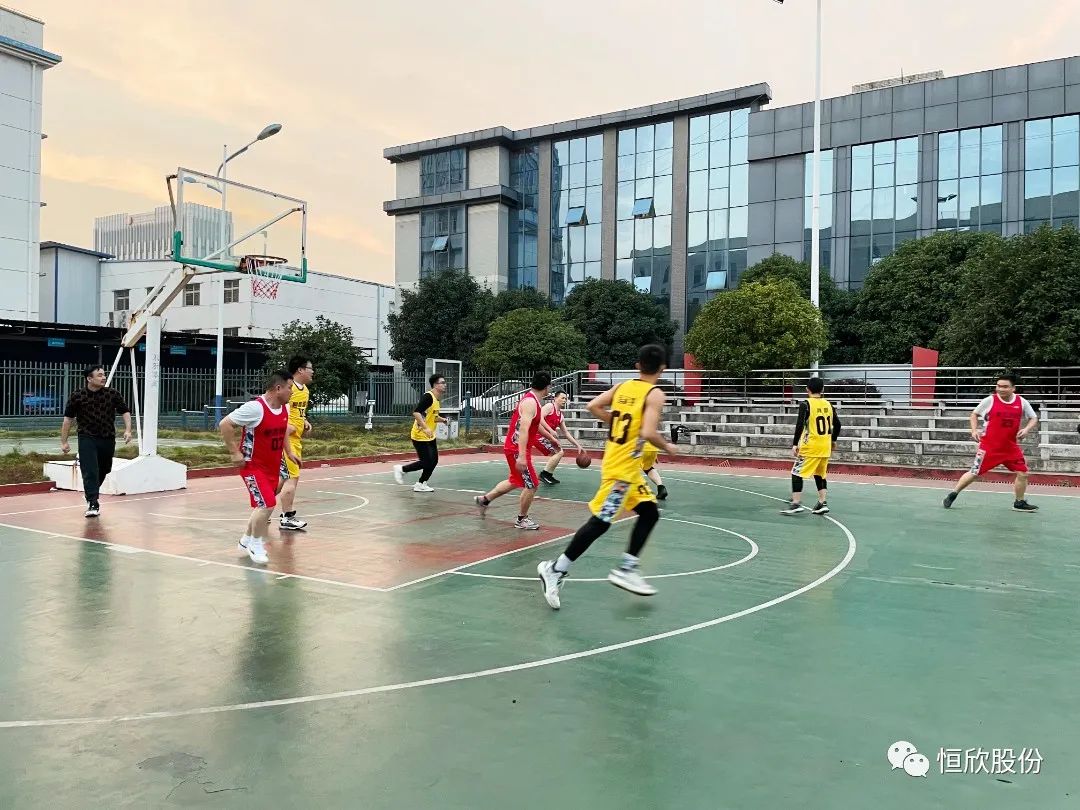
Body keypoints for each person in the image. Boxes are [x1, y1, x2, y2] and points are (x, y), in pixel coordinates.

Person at [536, 345, 678, 609]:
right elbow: (648, 432)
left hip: (626, 469)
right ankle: (556, 569)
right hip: (622, 472)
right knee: (600, 523)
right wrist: (668, 446)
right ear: (663, 369)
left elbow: (593, 405)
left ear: (638, 366)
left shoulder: (624, 387)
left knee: (649, 513)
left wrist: (613, 421)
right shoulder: (655, 394)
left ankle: (626, 567)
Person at [219, 370, 301, 565]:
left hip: (272, 466)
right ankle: (256, 544)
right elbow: (225, 424)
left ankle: (246, 539)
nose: (292, 392)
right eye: (290, 388)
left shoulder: (284, 408)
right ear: (278, 388)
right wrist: (234, 452)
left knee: (262, 506)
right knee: (267, 504)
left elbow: (283, 431)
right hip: (252, 466)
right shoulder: (255, 408)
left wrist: (289, 452)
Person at [943, 373, 1039, 512]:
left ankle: (1019, 502)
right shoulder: (990, 400)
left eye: (1005, 386)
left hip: (1010, 447)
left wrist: (1026, 429)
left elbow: (1033, 418)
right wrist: (974, 430)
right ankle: (953, 494)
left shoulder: (1021, 402)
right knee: (974, 472)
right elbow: (974, 414)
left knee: (1023, 473)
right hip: (989, 447)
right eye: (998, 386)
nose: (1000, 389)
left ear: (1013, 388)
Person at [474, 372, 552, 529]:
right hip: (517, 449)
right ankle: (522, 519)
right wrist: (522, 456)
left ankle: (484, 500)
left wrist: (551, 437)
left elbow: (535, 425)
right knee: (532, 484)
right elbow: (523, 429)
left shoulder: (533, 400)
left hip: (515, 447)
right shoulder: (530, 402)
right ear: (547, 387)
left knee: (515, 481)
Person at [59, 365, 132, 518]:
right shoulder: (77, 396)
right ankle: (93, 502)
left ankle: (90, 493)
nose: (103, 377)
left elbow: (125, 411)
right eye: (99, 375)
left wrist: (128, 430)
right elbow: (68, 419)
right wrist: (64, 441)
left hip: (107, 437)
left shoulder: (112, 394)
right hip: (87, 437)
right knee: (90, 470)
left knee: (104, 468)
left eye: (104, 375)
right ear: (89, 379)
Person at [780, 377, 841, 515]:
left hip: (811, 447)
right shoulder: (828, 404)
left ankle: (796, 503)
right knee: (820, 474)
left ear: (807, 389)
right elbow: (838, 425)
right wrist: (833, 440)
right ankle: (822, 502)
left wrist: (795, 443)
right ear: (822, 390)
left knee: (796, 473)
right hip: (824, 446)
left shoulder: (806, 404)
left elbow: (800, 425)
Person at [276, 356, 314, 530]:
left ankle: (263, 505)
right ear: (300, 369)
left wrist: (303, 421)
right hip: (287, 441)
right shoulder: (287, 389)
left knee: (283, 479)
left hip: (296, 440)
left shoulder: (304, 390)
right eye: (310, 368)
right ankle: (287, 517)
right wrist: (286, 427)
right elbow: (279, 410)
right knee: (292, 478)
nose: (312, 371)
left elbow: (297, 411)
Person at [394, 374, 448, 492]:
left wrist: (442, 420)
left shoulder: (436, 399)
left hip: (429, 436)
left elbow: (433, 416)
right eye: (442, 383)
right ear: (435, 385)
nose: (445, 385)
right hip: (419, 435)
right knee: (426, 462)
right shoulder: (428, 397)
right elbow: (416, 412)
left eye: (445, 383)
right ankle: (401, 469)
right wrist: (426, 428)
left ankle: (421, 483)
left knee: (433, 461)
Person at [537, 389, 583, 485]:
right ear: (555, 398)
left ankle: (548, 475)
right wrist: (550, 430)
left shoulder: (561, 416)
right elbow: (539, 418)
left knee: (559, 452)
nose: (564, 400)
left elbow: (566, 433)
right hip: (538, 435)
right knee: (559, 452)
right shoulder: (550, 406)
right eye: (562, 398)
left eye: (566, 398)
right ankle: (544, 474)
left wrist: (577, 445)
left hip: (547, 436)